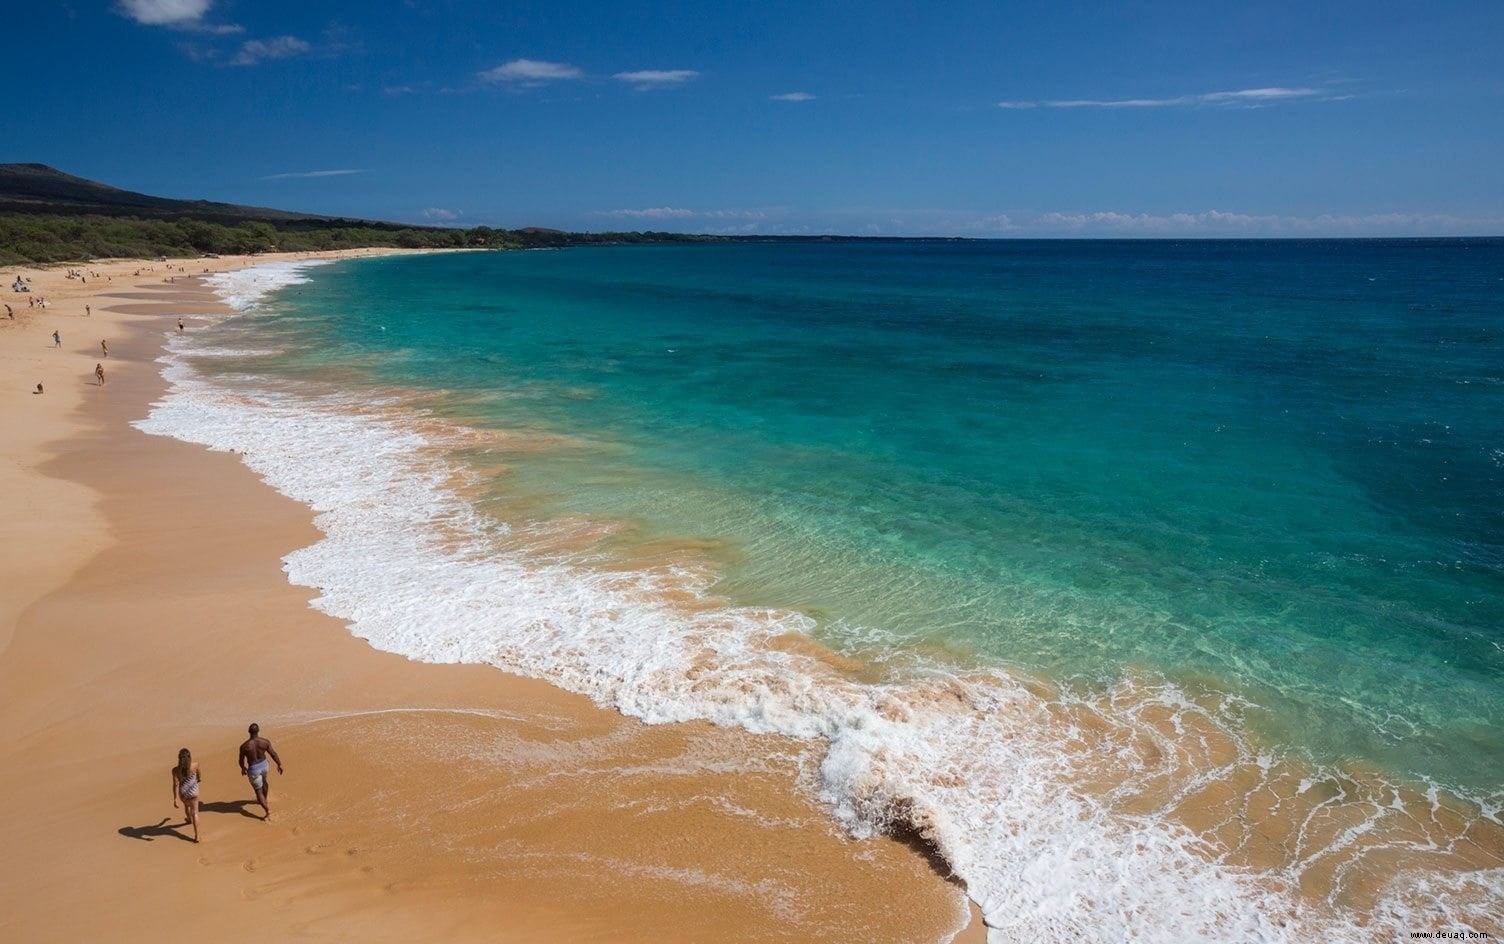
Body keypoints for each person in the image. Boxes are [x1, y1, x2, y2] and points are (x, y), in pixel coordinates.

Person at [238, 723, 283, 820]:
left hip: (254, 769)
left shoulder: (244, 746)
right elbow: (273, 754)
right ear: (258, 731)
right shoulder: (264, 742)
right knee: (265, 782)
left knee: (258, 791)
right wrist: (279, 764)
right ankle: (264, 799)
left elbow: (241, 760)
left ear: (249, 732)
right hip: (264, 765)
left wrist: (242, 768)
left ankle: (267, 811)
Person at [171, 748, 203, 843]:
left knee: (186, 806)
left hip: (183, 793)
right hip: (194, 792)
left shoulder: (175, 770)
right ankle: (197, 836)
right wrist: (199, 779)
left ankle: (189, 819)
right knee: (195, 813)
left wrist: (175, 799)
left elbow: (175, 784)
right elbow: (199, 774)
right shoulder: (195, 765)